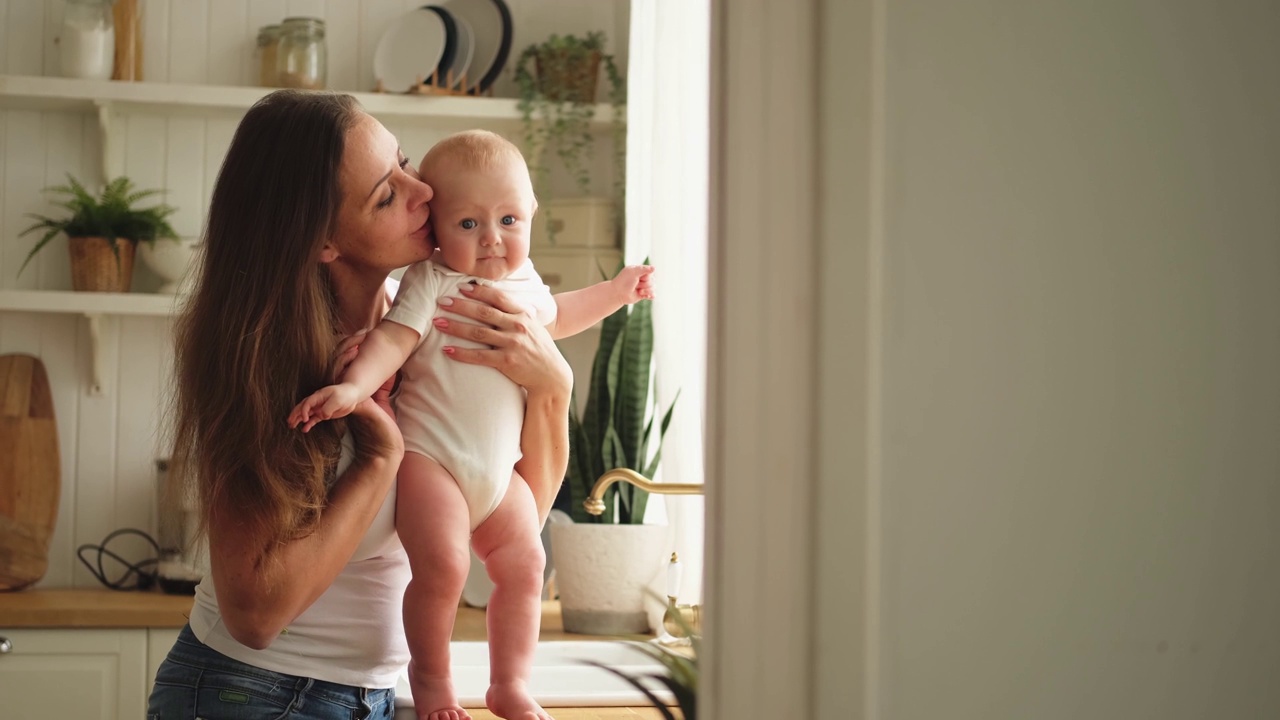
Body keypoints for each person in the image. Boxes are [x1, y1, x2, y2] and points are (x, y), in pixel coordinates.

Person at [147, 91, 573, 720]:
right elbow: (255, 616)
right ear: (323, 241)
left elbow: (513, 516)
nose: (423, 190)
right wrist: (381, 459)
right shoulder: (273, 368)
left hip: (368, 696)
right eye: (386, 194)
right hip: (253, 693)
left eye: (404, 163)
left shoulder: (439, 312)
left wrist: (552, 388)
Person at [288, 130, 655, 720]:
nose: (492, 239)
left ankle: (509, 684)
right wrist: (355, 386)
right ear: (435, 229)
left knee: (527, 562)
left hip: (499, 473)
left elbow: (562, 315)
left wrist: (616, 293)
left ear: (533, 211)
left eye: (509, 219)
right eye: (467, 224)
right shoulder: (430, 281)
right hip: (432, 462)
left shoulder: (528, 285)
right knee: (445, 567)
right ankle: (433, 680)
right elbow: (393, 340)